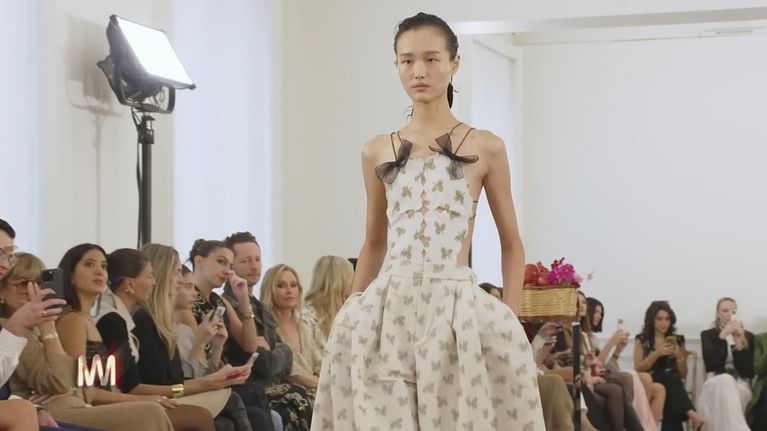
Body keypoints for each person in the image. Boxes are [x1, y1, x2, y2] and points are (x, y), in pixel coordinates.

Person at [310, 12, 544, 430]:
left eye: (431, 59)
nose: (418, 71)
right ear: (396, 65)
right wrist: (352, 309)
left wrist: (510, 316)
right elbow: (374, 243)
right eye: (407, 60)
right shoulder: (376, 150)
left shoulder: (486, 147)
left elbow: (511, 243)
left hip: (455, 310)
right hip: (389, 311)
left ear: (454, 63)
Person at [2, 252, 173, 431]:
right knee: (151, 411)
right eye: (23, 283)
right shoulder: (15, 328)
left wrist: (72, 387)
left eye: (39, 283)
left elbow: (83, 384)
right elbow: (62, 382)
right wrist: (48, 328)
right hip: (55, 411)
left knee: (157, 410)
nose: (33, 290)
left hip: (75, 404)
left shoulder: (50, 326)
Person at [221, 233, 314, 431]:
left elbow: (285, 355)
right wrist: (280, 351)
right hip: (250, 389)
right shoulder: (228, 306)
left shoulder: (260, 307)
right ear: (231, 266)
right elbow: (264, 364)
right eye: (246, 261)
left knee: (307, 400)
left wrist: (279, 350)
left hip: (273, 387)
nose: (254, 266)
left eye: (257, 259)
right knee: (299, 396)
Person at [587, 296, 664, 429]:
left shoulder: (593, 338)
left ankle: (645, 426)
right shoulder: (583, 337)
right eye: (596, 312)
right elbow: (595, 366)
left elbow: (605, 367)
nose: (599, 316)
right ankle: (638, 426)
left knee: (658, 388)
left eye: (601, 313)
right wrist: (611, 344)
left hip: (603, 375)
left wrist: (618, 351)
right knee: (640, 377)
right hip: (592, 377)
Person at [634, 301, 704, 431]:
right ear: (652, 320)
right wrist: (656, 354)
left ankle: (693, 417)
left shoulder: (678, 340)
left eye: (667, 319)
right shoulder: (642, 340)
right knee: (668, 379)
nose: (664, 323)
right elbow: (638, 368)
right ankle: (693, 415)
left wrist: (679, 356)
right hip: (651, 381)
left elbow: (683, 374)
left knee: (669, 385)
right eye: (659, 319)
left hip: (673, 385)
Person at [260, 265, 323, 393]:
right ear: (270, 290)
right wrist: (324, 386)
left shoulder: (303, 327)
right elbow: (291, 373)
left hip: (316, 390)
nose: (289, 291)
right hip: (289, 393)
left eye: (293, 285)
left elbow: (319, 362)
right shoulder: (268, 328)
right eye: (281, 286)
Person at [698, 297, 753, 431]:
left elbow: (748, 372)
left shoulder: (748, 336)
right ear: (717, 314)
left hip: (740, 384)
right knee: (725, 380)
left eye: (733, 311)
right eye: (725, 311)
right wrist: (722, 336)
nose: (729, 314)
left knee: (729, 388)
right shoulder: (707, 335)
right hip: (715, 382)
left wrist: (739, 346)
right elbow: (712, 364)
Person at [302, 256, 353, 350]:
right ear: (339, 281)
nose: (354, 283)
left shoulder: (345, 312)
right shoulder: (306, 317)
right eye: (351, 278)